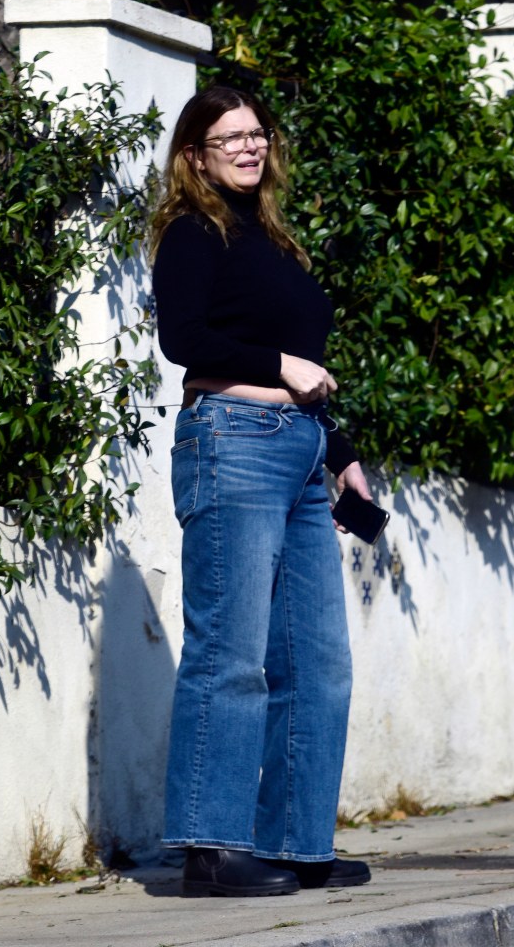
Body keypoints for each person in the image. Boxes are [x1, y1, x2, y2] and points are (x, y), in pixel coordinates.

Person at [150, 85, 372, 898]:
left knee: (318, 661)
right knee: (231, 654)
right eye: (229, 137)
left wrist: (342, 454)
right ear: (196, 153)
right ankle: (210, 850)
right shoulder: (191, 232)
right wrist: (281, 370)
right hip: (232, 446)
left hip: (303, 457)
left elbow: (303, 356)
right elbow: (186, 341)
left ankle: (297, 841)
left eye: (255, 134)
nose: (247, 147)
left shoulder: (273, 239)